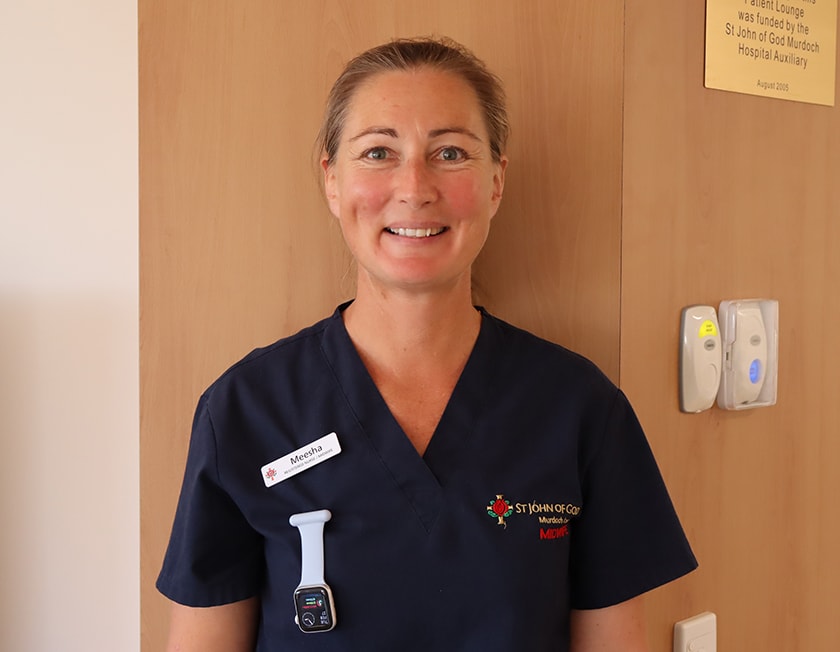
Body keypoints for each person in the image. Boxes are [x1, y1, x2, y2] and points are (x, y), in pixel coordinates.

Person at [157, 36, 697, 651]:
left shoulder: (580, 410)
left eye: (450, 153)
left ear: (496, 181)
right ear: (332, 181)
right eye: (379, 152)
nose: (414, 188)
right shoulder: (247, 410)